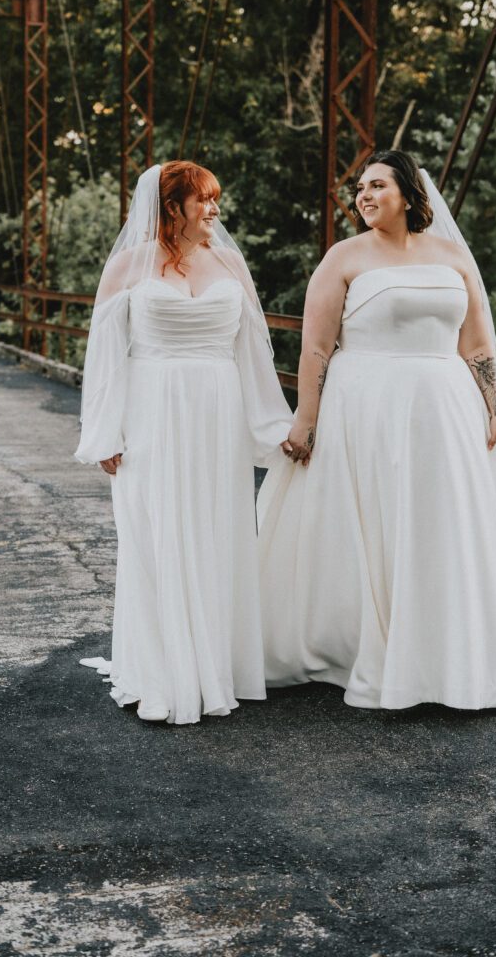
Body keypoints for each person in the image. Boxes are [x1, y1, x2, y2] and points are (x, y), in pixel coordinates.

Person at [258, 150, 496, 711]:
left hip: (444, 407)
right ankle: (367, 646)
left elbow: (477, 343)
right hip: (365, 405)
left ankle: (446, 652)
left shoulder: (452, 257)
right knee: (378, 521)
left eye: (376, 185)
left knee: (441, 522)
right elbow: (317, 347)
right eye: (360, 188)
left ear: (409, 194)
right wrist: (306, 417)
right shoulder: (343, 258)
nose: (364, 196)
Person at [75, 161, 293, 724]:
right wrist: (105, 430)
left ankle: (218, 664)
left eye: (215, 199)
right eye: (203, 200)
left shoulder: (229, 264)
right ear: (171, 207)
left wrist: (274, 428)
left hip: (217, 414)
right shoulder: (127, 266)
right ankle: (165, 672)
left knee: (216, 530)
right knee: (158, 532)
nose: (215, 210)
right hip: (153, 413)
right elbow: (104, 355)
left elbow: (252, 352)